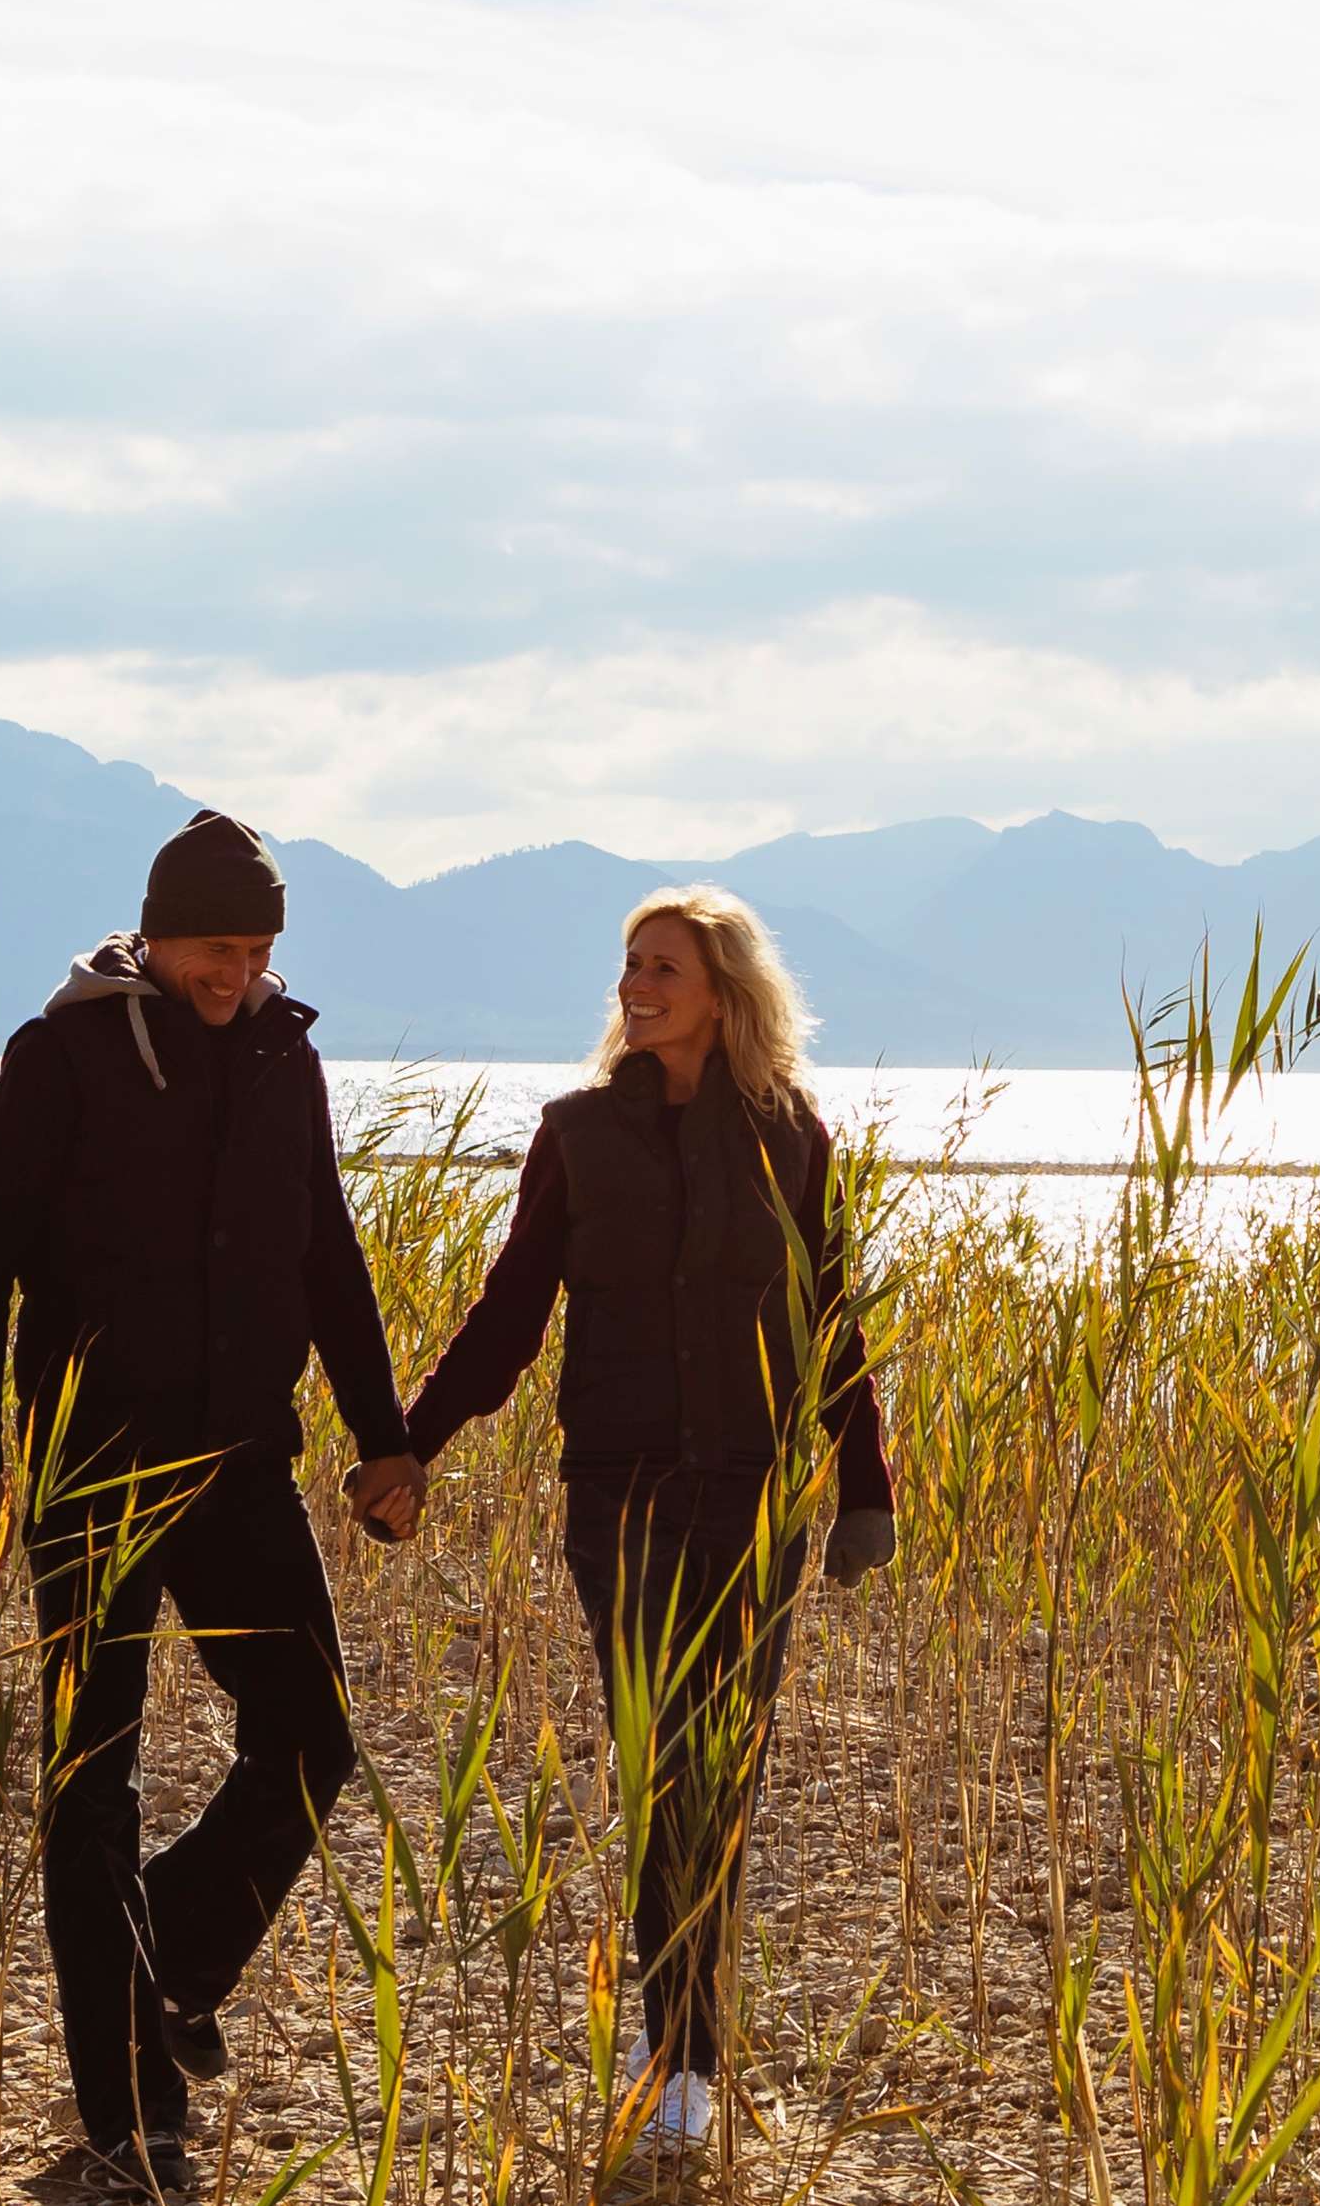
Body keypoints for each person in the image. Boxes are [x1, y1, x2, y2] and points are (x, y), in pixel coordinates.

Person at [0, 809, 431, 2195]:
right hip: (93, 1469)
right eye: (221, 946)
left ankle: (170, 1968)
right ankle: (125, 2103)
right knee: (92, 1782)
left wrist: (383, 1436)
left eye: (261, 946)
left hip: (242, 1459)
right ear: (157, 934)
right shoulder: (62, 1055)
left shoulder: (286, 1058)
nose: (240, 971)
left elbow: (329, 1253)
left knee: (314, 1736)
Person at [392, 885, 900, 2160]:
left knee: (715, 1772)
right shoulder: (575, 1134)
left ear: (720, 993)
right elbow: (510, 1314)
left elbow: (826, 1314)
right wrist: (412, 1440)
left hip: (751, 1496)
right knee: (664, 1765)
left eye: (662, 966)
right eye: (629, 963)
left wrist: (866, 1488)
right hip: (618, 1500)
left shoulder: (788, 1134)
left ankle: (685, 2052)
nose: (636, 983)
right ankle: (675, 2047)